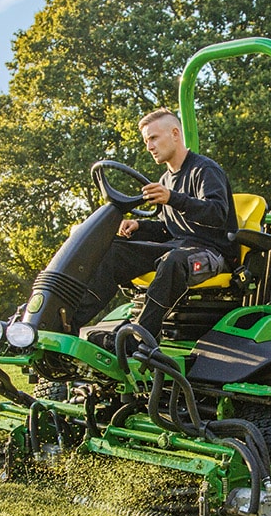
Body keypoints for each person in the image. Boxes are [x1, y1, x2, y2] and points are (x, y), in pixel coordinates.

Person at [71, 108, 238, 341]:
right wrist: (138, 226)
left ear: (175, 134)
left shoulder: (205, 170)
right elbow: (167, 228)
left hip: (211, 253)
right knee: (115, 251)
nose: (149, 146)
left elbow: (217, 214)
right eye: (146, 140)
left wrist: (172, 198)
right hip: (177, 247)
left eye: (153, 138)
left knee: (174, 260)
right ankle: (70, 321)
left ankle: (141, 337)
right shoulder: (165, 179)